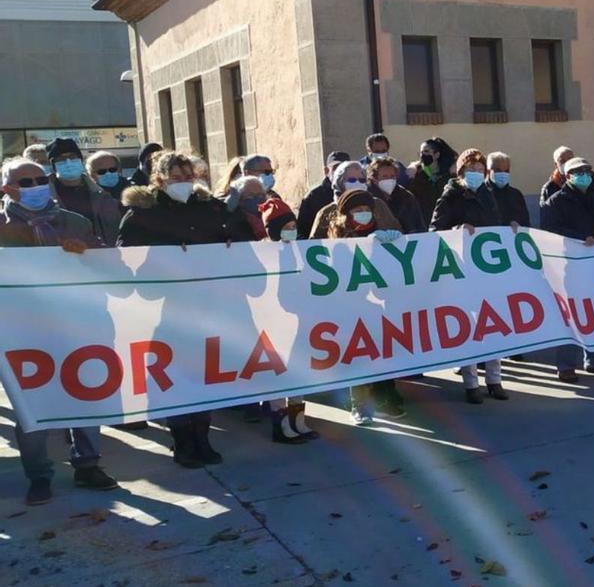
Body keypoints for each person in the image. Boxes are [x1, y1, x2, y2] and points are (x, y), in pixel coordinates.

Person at [118, 150, 255, 467]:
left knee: (204, 374)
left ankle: (203, 439)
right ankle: (182, 442)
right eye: (176, 178)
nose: (184, 183)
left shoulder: (209, 207)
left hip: (211, 305)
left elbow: (238, 235)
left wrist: (230, 243)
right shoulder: (142, 213)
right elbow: (125, 257)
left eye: (188, 177)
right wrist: (168, 255)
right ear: (159, 179)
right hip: (168, 309)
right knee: (176, 377)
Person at [1, 157, 118, 505]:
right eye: (25, 182)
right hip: (22, 332)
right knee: (32, 407)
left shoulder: (74, 222)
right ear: (7, 188)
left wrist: (87, 253)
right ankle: (39, 476)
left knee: (84, 396)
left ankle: (88, 465)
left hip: (76, 324)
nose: (36, 186)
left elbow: (108, 265)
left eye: (39, 179)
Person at [430, 148, 513, 403]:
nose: (476, 174)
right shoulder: (451, 195)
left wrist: (509, 229)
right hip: (462, 270)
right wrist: (456, 229)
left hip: (487, 269)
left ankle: (494, 380)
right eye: (471, 170)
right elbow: (435, 230)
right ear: (461, 171)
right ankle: (471, 383)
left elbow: (496, 223)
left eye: (480, 170)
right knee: (469, 327)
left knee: (494, 324)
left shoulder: (489, 196)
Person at [325, 189, 406, 424]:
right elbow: (339, 269)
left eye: (367, 210)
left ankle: (384, 397)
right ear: (346, 215)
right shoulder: (338, 238)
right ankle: (359, 405)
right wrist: (366, 247)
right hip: (350, 306)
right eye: (357, 211)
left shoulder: (379, 232)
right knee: (358, 356)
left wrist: (397, 241)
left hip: (378, 305)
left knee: (382, 352)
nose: (363, 215)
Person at [541, 156, 594, 381]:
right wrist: (579, 239)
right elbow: (549, 231)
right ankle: (566, 365)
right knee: (571, 316)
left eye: (588, 170)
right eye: (579, 171)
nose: (585, 174)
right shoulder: (555, 202)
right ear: (568, 176)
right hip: (569, 269)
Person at [259, 198, 320, 443]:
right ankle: (281, 425)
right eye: (286, 227)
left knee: (298, 371)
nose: (292, 231)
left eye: (294, 226)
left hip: (300, 318)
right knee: (278, 374)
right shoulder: (264, 253)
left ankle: (299, 420)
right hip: (276, 322)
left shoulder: (300, 250)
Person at [46, 137, 121, 247]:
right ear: (53, 165)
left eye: (72, 157)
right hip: (65, 258)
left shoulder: (101, 195)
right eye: (61, 159)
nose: (68, 162)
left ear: (80, 160)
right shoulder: (44, 196)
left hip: (103, 257)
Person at [310, 160, 402, 240]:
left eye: (362, 180)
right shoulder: (327, 212)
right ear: (339, 182)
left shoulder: (378, 205)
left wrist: (394, 238)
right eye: (352, 180)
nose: (357, 183)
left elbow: (397, 230)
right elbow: (313, 246)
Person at [539, 145, 594, 218]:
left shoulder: (591, 177)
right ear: (556, 164)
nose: (567, 163)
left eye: (570, 159)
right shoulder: (549, 188)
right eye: (562, 161)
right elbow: (547, 217)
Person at [297, 150, 350, 239]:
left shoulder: (356, 192)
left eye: (344, 169)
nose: (340, 172)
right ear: (326, 170)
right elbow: (303, 230)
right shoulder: (314, 196)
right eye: (336, 168)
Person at [407, 137, 457, 226]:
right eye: (421, 152)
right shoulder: (415, 174)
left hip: (445, 223)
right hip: (422, 223)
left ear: (437, 155)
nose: (423, 155)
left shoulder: (447, 175)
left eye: (426, 152)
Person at [367, 156, 424, 233]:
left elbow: (419, 225)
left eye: (392, 176)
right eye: (384, 176)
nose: (389, 180)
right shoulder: (367, 199)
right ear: (374, 179)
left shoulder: (407, 197)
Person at [486, 151, 530, 228]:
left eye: (506, 171)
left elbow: (526, 223)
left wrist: (516, 222)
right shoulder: (482, 194)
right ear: (488, 171)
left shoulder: (516, 195)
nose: (503, 174)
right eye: (498, 170)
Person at [223, 175, 269, 241]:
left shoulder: (273, 215)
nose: (258, 198)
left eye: (261, 195)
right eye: (251, 195)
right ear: (239, 199)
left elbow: (288, 233)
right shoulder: (233, 222)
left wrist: (286, 236)